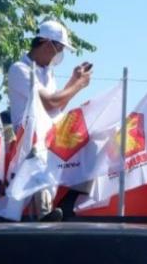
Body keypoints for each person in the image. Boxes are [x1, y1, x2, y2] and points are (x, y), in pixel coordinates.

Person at [6, 19, 93, 221]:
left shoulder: (47, 72)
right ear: (46, 43)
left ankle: (70, 207)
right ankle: (44, 217)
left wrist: (73, 80)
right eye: (59, 48)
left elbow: (57, 107)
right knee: (40, 167)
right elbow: (50, 103)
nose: (58, 54)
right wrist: (79, 85)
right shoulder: (20, 69)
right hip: (29, 142)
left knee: (89, 145)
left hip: (49, 137)